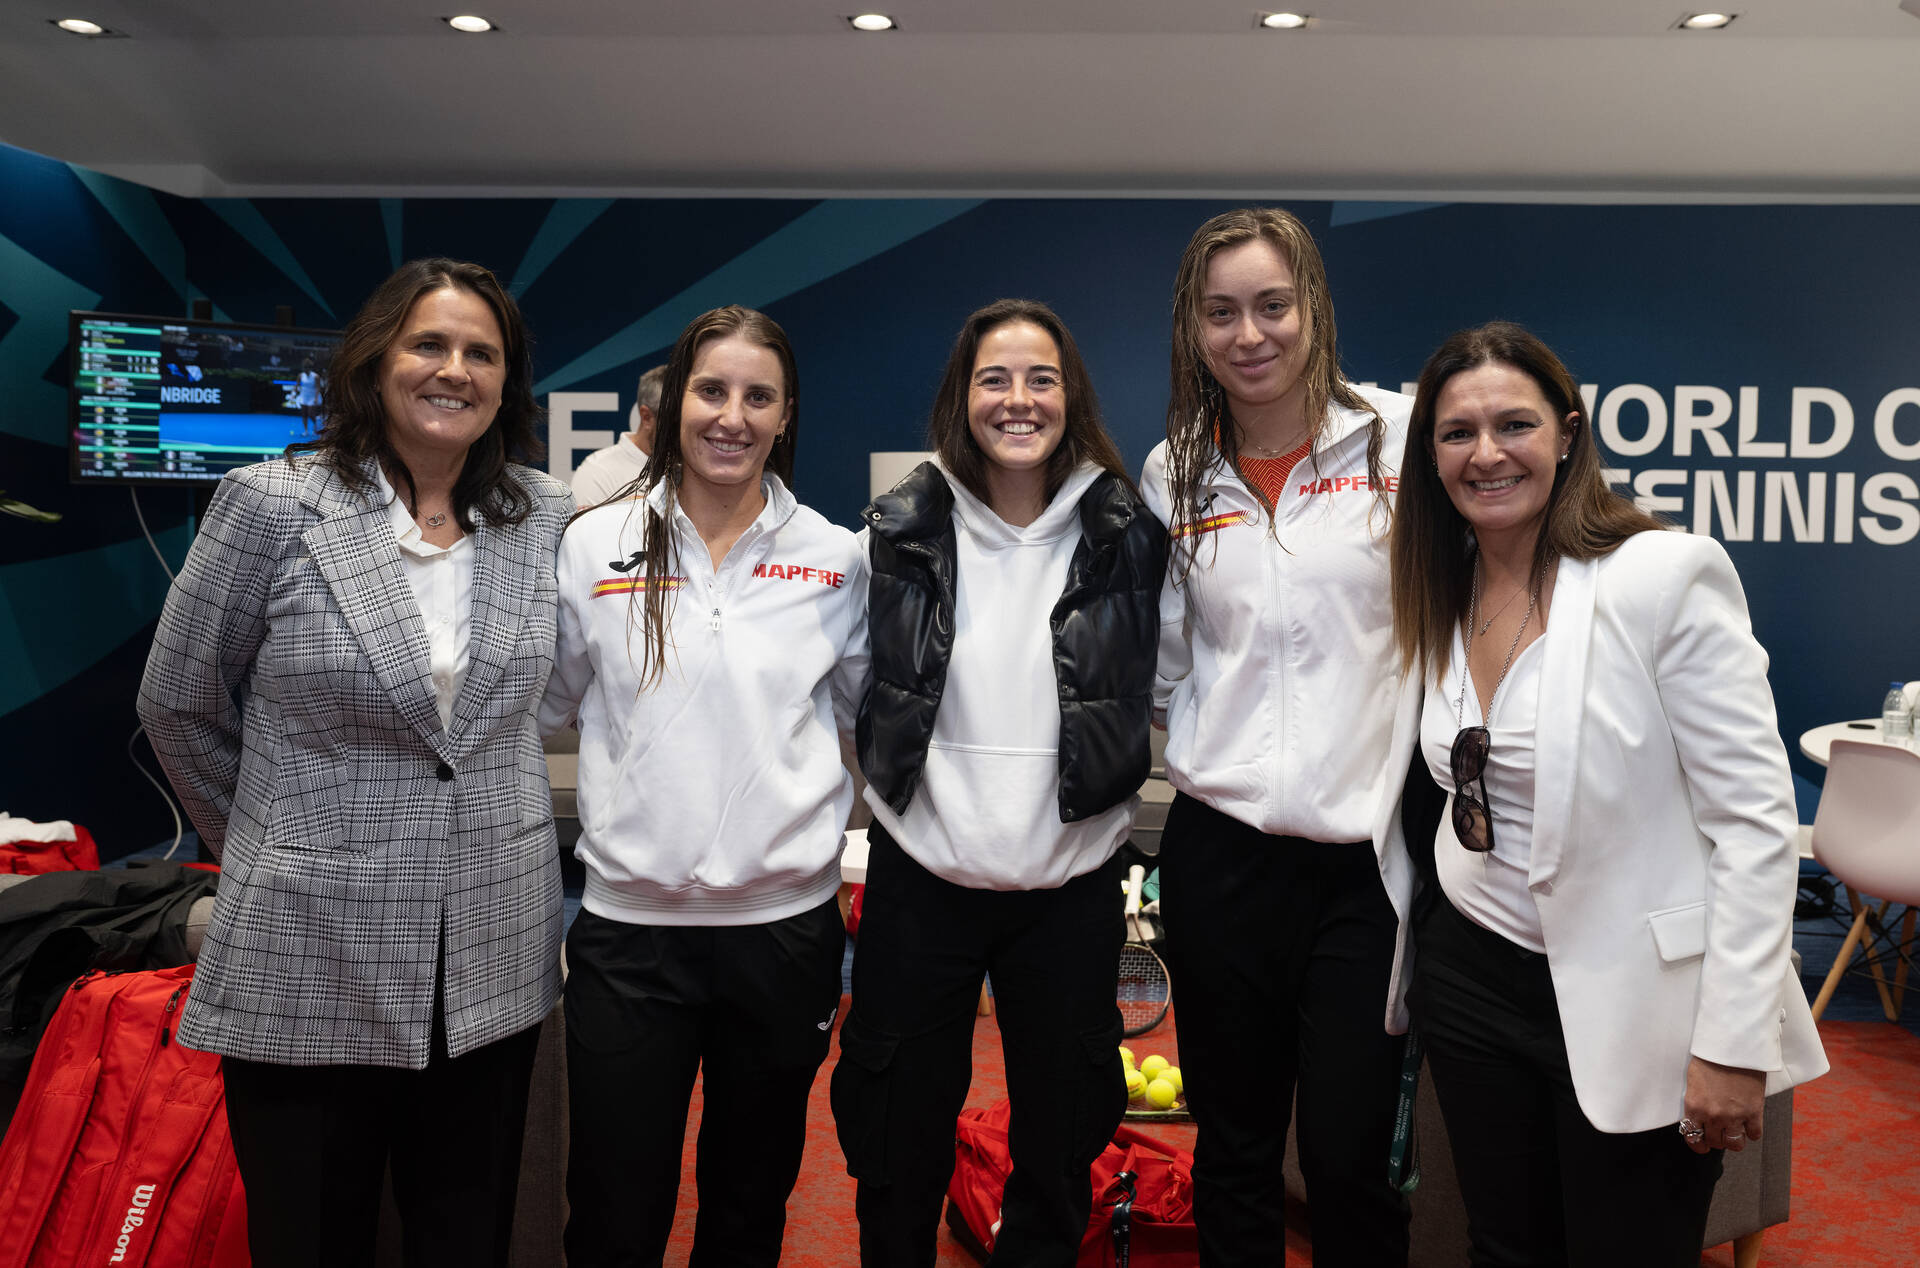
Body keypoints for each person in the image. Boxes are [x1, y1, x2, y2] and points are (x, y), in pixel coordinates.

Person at [136, 258, 571, 1268]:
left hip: (488, 955)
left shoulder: (538, 515)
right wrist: (268, 838)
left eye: (481, 352)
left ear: (507, 382)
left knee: (464, 1236)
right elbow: (177, 699)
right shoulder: (271, 502)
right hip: (309, 945)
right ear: (376, 359)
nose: (453, 369)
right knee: (313, 1236)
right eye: (430, 343)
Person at [1385, 321, 1827, 1266]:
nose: (1487, 453)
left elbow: (1754, 827)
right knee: (1504, 1245)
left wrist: (1731, 1042)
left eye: (1515, 424)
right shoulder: (1440, 588)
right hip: (1470, 976)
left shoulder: (1662, 576)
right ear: (1430, 456)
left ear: (1570, 435)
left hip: (1637, 998)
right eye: (1457, 433)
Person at [832, 298, 1167, 1266]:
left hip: (1068, 892)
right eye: (994, 378)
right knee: (894, 1149)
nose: (1017, 399)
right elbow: (864, 689)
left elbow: (1160, 680)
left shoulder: (1126, 535)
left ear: (1072, 397)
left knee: (1061, 1152)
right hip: (920, 887)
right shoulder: (897, 531)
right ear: (961, 396)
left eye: (1041, 378)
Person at [539, 305, 867, 1268]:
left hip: (785, 932)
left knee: (748, 1202)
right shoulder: (594, 544)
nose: (732, 415)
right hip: (629, 935)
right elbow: (552, 703)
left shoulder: (837, 557)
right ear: (673, 402)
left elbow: (864, 718)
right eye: (711, 390)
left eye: (757, 396)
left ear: (785, 413)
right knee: (611, 1208)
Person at [1140, 206, 1414, 1268]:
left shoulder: (1395, 437)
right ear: (1192, 327)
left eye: (1270, 306)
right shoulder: (1177, 468)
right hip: (1220, 856)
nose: (1248, 334)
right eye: (1221, 313)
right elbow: (1168, 658)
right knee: (1237, 1148)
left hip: (1364, 865)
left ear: (1313, 309)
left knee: (1348, 1160)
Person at [571, 362, 666, 505]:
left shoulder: (695, 469)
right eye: (677, 421)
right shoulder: (598, 473)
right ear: (646, 417)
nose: (684, 431)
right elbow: (584, 527)